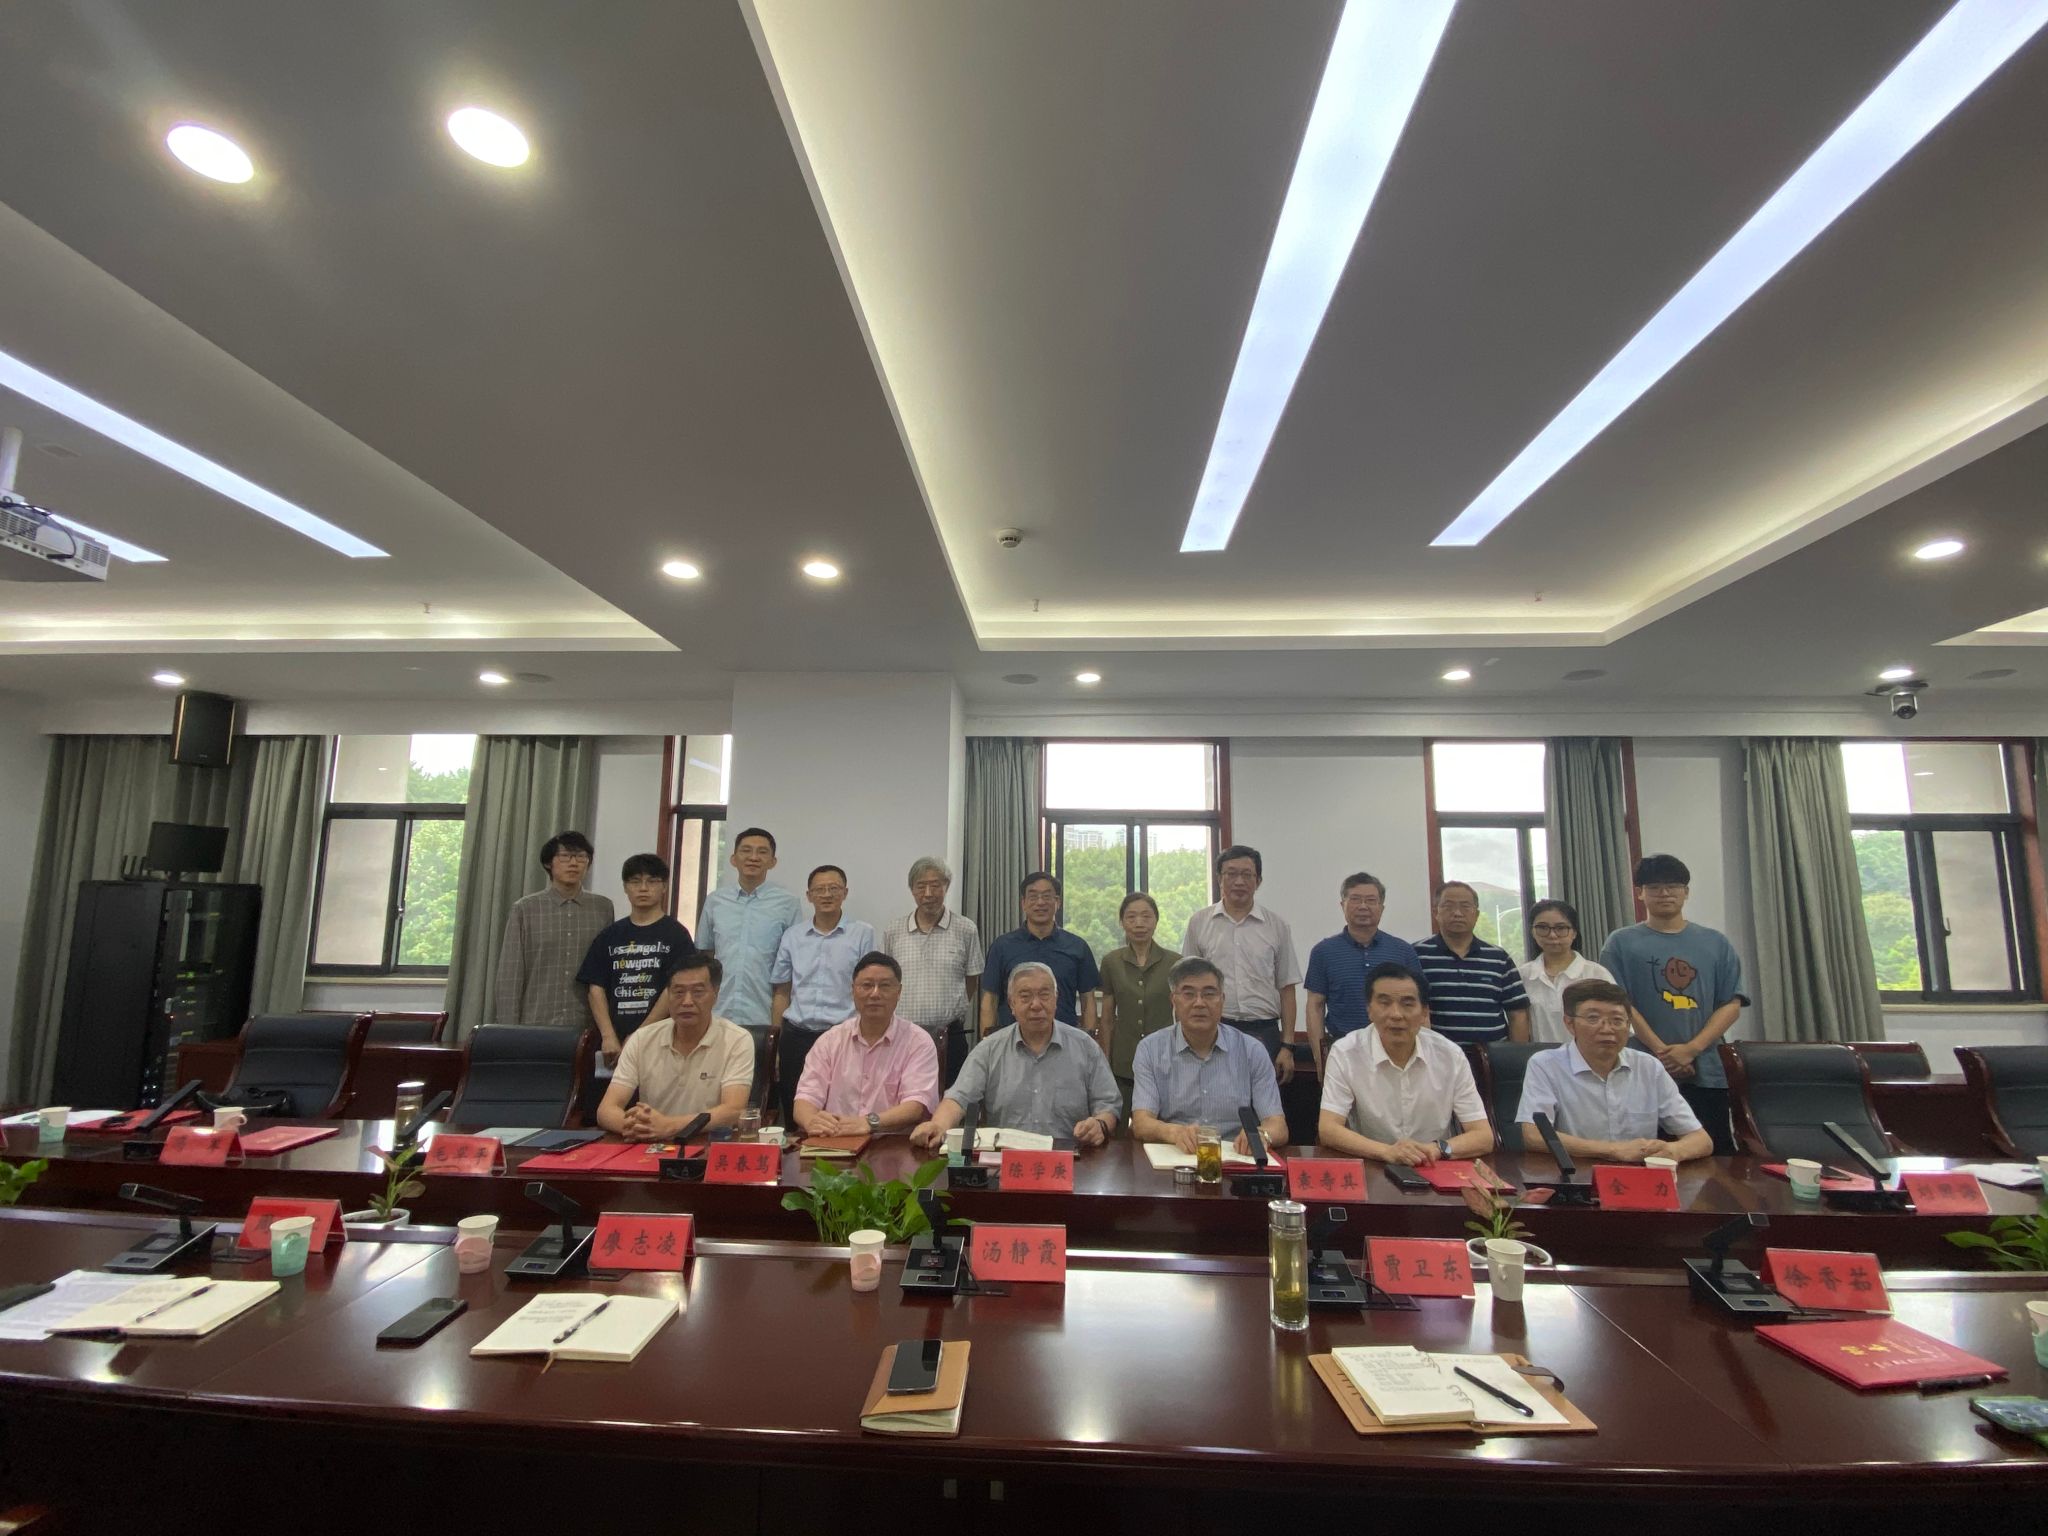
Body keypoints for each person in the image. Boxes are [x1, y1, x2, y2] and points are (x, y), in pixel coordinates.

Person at [1600, 854, 1747, 1156]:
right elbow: (1620, 1004)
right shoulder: (1620, 943)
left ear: (1686, 892)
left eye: (1673, 886)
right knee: (1644, 1154)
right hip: (1641, 1067)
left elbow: (1731, 1004)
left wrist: (1691, 1049)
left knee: (1712, 1153)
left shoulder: (1715, 942)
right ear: (1640, 893)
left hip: (1706, 1070)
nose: (1664, 893)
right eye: (1654, 887)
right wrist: (1662, 1053)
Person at [911, 962, 1120, 1148]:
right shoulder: (989, 1049)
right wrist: (938, 1125)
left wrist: (1099, 1124)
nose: (1036, 1005)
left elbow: (1109, 1104)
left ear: (1056, 1000)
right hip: (1005, 1160)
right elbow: (958, 1099)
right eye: (1025, 996)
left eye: (1044, 995)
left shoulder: (1085, 1046)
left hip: (1071, 1159)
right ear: (1012, 1004)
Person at [1514, 978, 1712, 1164]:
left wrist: (1672, 1151)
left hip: (1639, 1177)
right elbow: (1533, 1136)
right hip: (1577, 1174)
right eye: (1593, 1018)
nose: (1607, 1029)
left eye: (1617, 1020)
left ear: (1628, 1025)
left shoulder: (1648, 1067)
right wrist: (1612, 1150)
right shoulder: (1546, 1065)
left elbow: (1701, 1140)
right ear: (1569, 1024)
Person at [1317, 962, 1493, 1165]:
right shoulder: (1345, 1053)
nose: (1396, 1014)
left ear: (1424, 1012)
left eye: (1407, 1004)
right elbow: (1328, 1129)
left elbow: (1483, 1136)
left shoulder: (1450, 1055)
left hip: (1433, 1164)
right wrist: (1387, 1152)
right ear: (1369, 1010)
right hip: (1373, 1163)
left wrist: (1436, 1149)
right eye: (1384, 1003)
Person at [1130, 957, 1286, 1156]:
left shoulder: (1252, 1051)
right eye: (1188, 994)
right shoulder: (1150, 1049)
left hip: (1235, 1156)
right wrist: (1173, 1132)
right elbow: (1141, 1123)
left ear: (1222, 1000)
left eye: (1209, 994)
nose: (1199, 1003)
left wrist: (1261, 1135)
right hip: (1176, 1154)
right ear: (1173, 1000)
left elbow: (1277, 1126)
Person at [596, 953, 753, 1141]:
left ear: (715, 994)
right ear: (668, 994)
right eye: (678, 992)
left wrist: (669, 1126)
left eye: (698, 992)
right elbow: (606, 1110)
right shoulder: (642, 1039)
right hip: (650, 1144)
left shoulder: (737, 1040)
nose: (687, 1001)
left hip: (708, 1143)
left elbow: (733, 1110)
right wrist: (638, 1127)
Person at [1179, 844, 1302, 1084]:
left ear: (1258, 881)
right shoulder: (1199, 922)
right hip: (1213, 1029)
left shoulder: (1276, 926)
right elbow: (1187, 985)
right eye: (1231, 874)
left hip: (1264, 1031)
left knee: (1262, 1101)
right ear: (1219, 879)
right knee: (1211, 1097)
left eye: (1247, 875)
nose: (1239, 881)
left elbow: (1287, 988)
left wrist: (1287, 1046)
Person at [694, 827, 802, 1091]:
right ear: (733, 858)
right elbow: (705, 956)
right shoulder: (715, 901)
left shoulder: (788, 903)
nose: (753, 857)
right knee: (712, 1090)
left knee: (758, 1093)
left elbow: (792, 965)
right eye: (746, 850)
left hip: (763, 1015)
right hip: (718, 1015)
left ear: (772, 861)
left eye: (762, 852)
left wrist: (778, 1026)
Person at [769, 865, 877, 1125]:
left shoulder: (862, 933)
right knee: (797, 1112)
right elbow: (782, 990)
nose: (827, 895)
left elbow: (868, 987)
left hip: (843, 1036)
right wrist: (777, 1041)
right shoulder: (793, 936)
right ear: (809, 896)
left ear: (845, 893)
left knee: (844, 1108)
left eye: (834, 888)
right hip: (797, 1036)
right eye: (819, 889)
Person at [790, 952, 941, 1138]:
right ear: (853, 990)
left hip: (892, 1146)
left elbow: (916, 1106)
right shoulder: (830, 1041)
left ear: (899, 992)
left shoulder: (918, 1042)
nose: (875, 994)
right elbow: (805, 1098)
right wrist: (811, 1121)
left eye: (885, 986)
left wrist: (868, 1123)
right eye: (867, 985)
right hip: (835, 1143)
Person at [576, 853, 694, 1068]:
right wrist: (608, 1035)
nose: (643, 888)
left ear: (664, 887)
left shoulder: (677, 935)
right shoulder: (610, 935)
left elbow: (675, 988)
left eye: (652, 881)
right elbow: (595, 987)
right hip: (613, 1042)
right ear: (625, 887)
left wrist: (641, 1034)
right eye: (635, 881)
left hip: (663, 1038)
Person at [493, 830, 615, 1029]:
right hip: (535, 1022)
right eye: (565, 856)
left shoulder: (603, 908)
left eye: (581, 857)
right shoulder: (525, 909)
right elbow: (511, 974)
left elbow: (607, 970)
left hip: (587, 1024)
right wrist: (509, 1030)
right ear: (548, 863)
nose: (574, 863)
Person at [880, 856, 984, 1088]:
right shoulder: (894, 931)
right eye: (921, 886)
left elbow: (972, 979)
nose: (928, 893)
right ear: (912, 890)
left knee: (949, 1099)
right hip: (903, 1036)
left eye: (935, 885)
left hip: (950, 1036)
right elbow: (886, 980)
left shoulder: (966, 929)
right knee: (904, 1096)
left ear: (946, 886)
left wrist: (952, 1008)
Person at [1303, 872, 1421, 1072]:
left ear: (1381, 908)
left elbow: (1420, 1006)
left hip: (1396, 1048)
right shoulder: (1323, 952)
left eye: (1371, 900)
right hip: (1343, 1049)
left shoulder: (1403, 951)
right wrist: (1319, 1057)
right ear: (1342, 905)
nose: (1363, 906)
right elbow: (1315, 1006)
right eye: (1355, 899)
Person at [980, 872, 1100, 1038]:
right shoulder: (1002, 947)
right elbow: (990, 1000)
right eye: (1033, 896)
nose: (1040, 902)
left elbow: (1088, 1000)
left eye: (1047, 896)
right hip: (1013, 1042)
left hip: (1065, 1042)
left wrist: (1089, 1042)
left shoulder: (1078, 947)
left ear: (1058, 902)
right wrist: (988, 1044)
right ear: (1023, 903)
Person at [1412, 881, 1530, 1045]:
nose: (1457, 913)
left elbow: (1517, 1013)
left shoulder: (1499, 958)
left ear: (1477, 914)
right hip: (1439, 1055)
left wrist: (1517, 1055)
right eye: (1448, 906)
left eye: (1465, 906)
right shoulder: (1416, 954)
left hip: (1492, 1056)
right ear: (1435, 912)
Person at [1097, 892, 1179, 1114]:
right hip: (1123, 1060)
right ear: (1122, 922)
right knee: (1119, 1122)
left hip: (1164, 1058)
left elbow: (1182, 1017)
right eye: (1131, 917)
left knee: (1162, 1123)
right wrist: (1104, 1060)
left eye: (1146, 916)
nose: (1139, 923)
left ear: (1156, 920)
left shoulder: (1175, 962)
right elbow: (1106, 1019)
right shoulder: (1111, 962)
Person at [1518, 898, 1615, 1044]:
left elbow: (1617, 1023)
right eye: (1543, 927)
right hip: (1539, 1056)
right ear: (1532, 931)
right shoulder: (1522, 976)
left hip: (1589, 1056)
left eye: (1561, 928)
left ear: (1574, 932)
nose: (1552, 935)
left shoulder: (1597, 974)